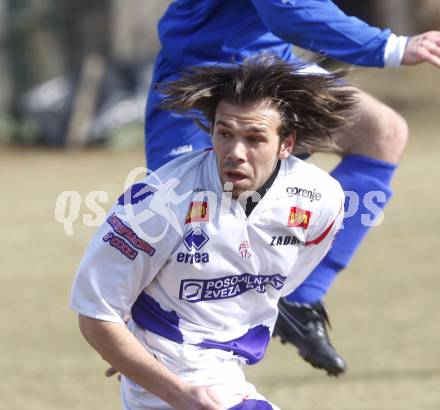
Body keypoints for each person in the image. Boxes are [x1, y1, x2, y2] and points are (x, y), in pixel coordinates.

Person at [144, 0, 440, 376]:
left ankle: (300, 298)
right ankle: (144, 329)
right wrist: (390, 46)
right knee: (187, 217)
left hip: (271, 65)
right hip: (204, 72)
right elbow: (287, 8)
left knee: (380, 132)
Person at [70, 56, 356, 409]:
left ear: (286, 144)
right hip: (176, 377)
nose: (235, 152)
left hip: (228, 370)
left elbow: (288, 277)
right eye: (225, 134)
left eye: (254, 138)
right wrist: (172, 388)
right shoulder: (159, 202)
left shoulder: (320, 198)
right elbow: (96, 315)